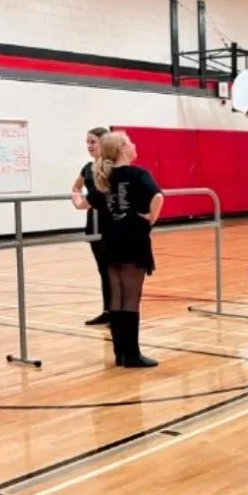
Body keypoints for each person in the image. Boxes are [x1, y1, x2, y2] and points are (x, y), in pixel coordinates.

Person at [72, 131, 163, 368]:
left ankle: (120, 353)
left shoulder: (104, 177)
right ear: (123, 149)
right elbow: (157, 196)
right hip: (133, 238)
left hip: (110, 240)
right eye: (130, 143)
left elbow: (83, 204)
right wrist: (151, 218)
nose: (134, 145)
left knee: (116, 297)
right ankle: (132, 354)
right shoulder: (138, 173)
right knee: (131, 297)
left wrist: (75, 195)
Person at [70, 126, 112, 326]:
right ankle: (107, 311)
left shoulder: (110, 167)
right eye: (87, 142)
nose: (89, 146)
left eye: (93, 142)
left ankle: (117, 312)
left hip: (110, 224)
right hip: (93, 224)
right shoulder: (87, 167)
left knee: (112, 269)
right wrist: (77, 198)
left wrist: (83, 203)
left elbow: (100, 194)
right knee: (103, 269)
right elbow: (76, 187)